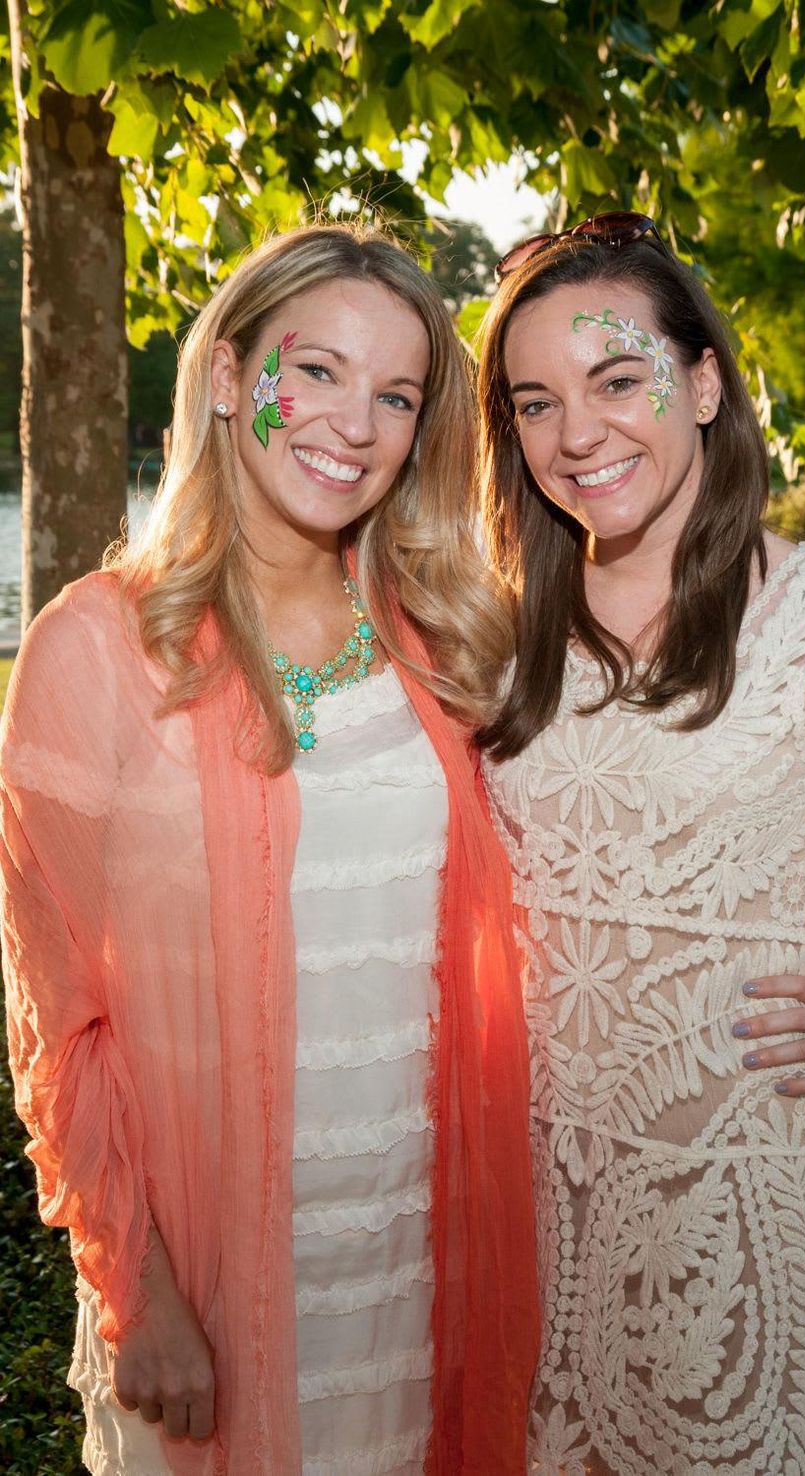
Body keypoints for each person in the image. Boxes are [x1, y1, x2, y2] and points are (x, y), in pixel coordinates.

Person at [1, 223, 538, 1475]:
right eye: (317, 370)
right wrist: (140, 1289)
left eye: (395, 394)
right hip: (210, 1269)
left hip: (415, 1255)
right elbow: (55, 1013)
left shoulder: (439, 638)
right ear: (231, 375)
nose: (354, 423)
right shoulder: (98, 649)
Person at [474, 212, 805, 1475]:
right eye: (534, 403)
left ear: (702, 383)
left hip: (747, 1222)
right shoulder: (494, 621)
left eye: (616, 379)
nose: (575, 433)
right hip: (534, 1206)